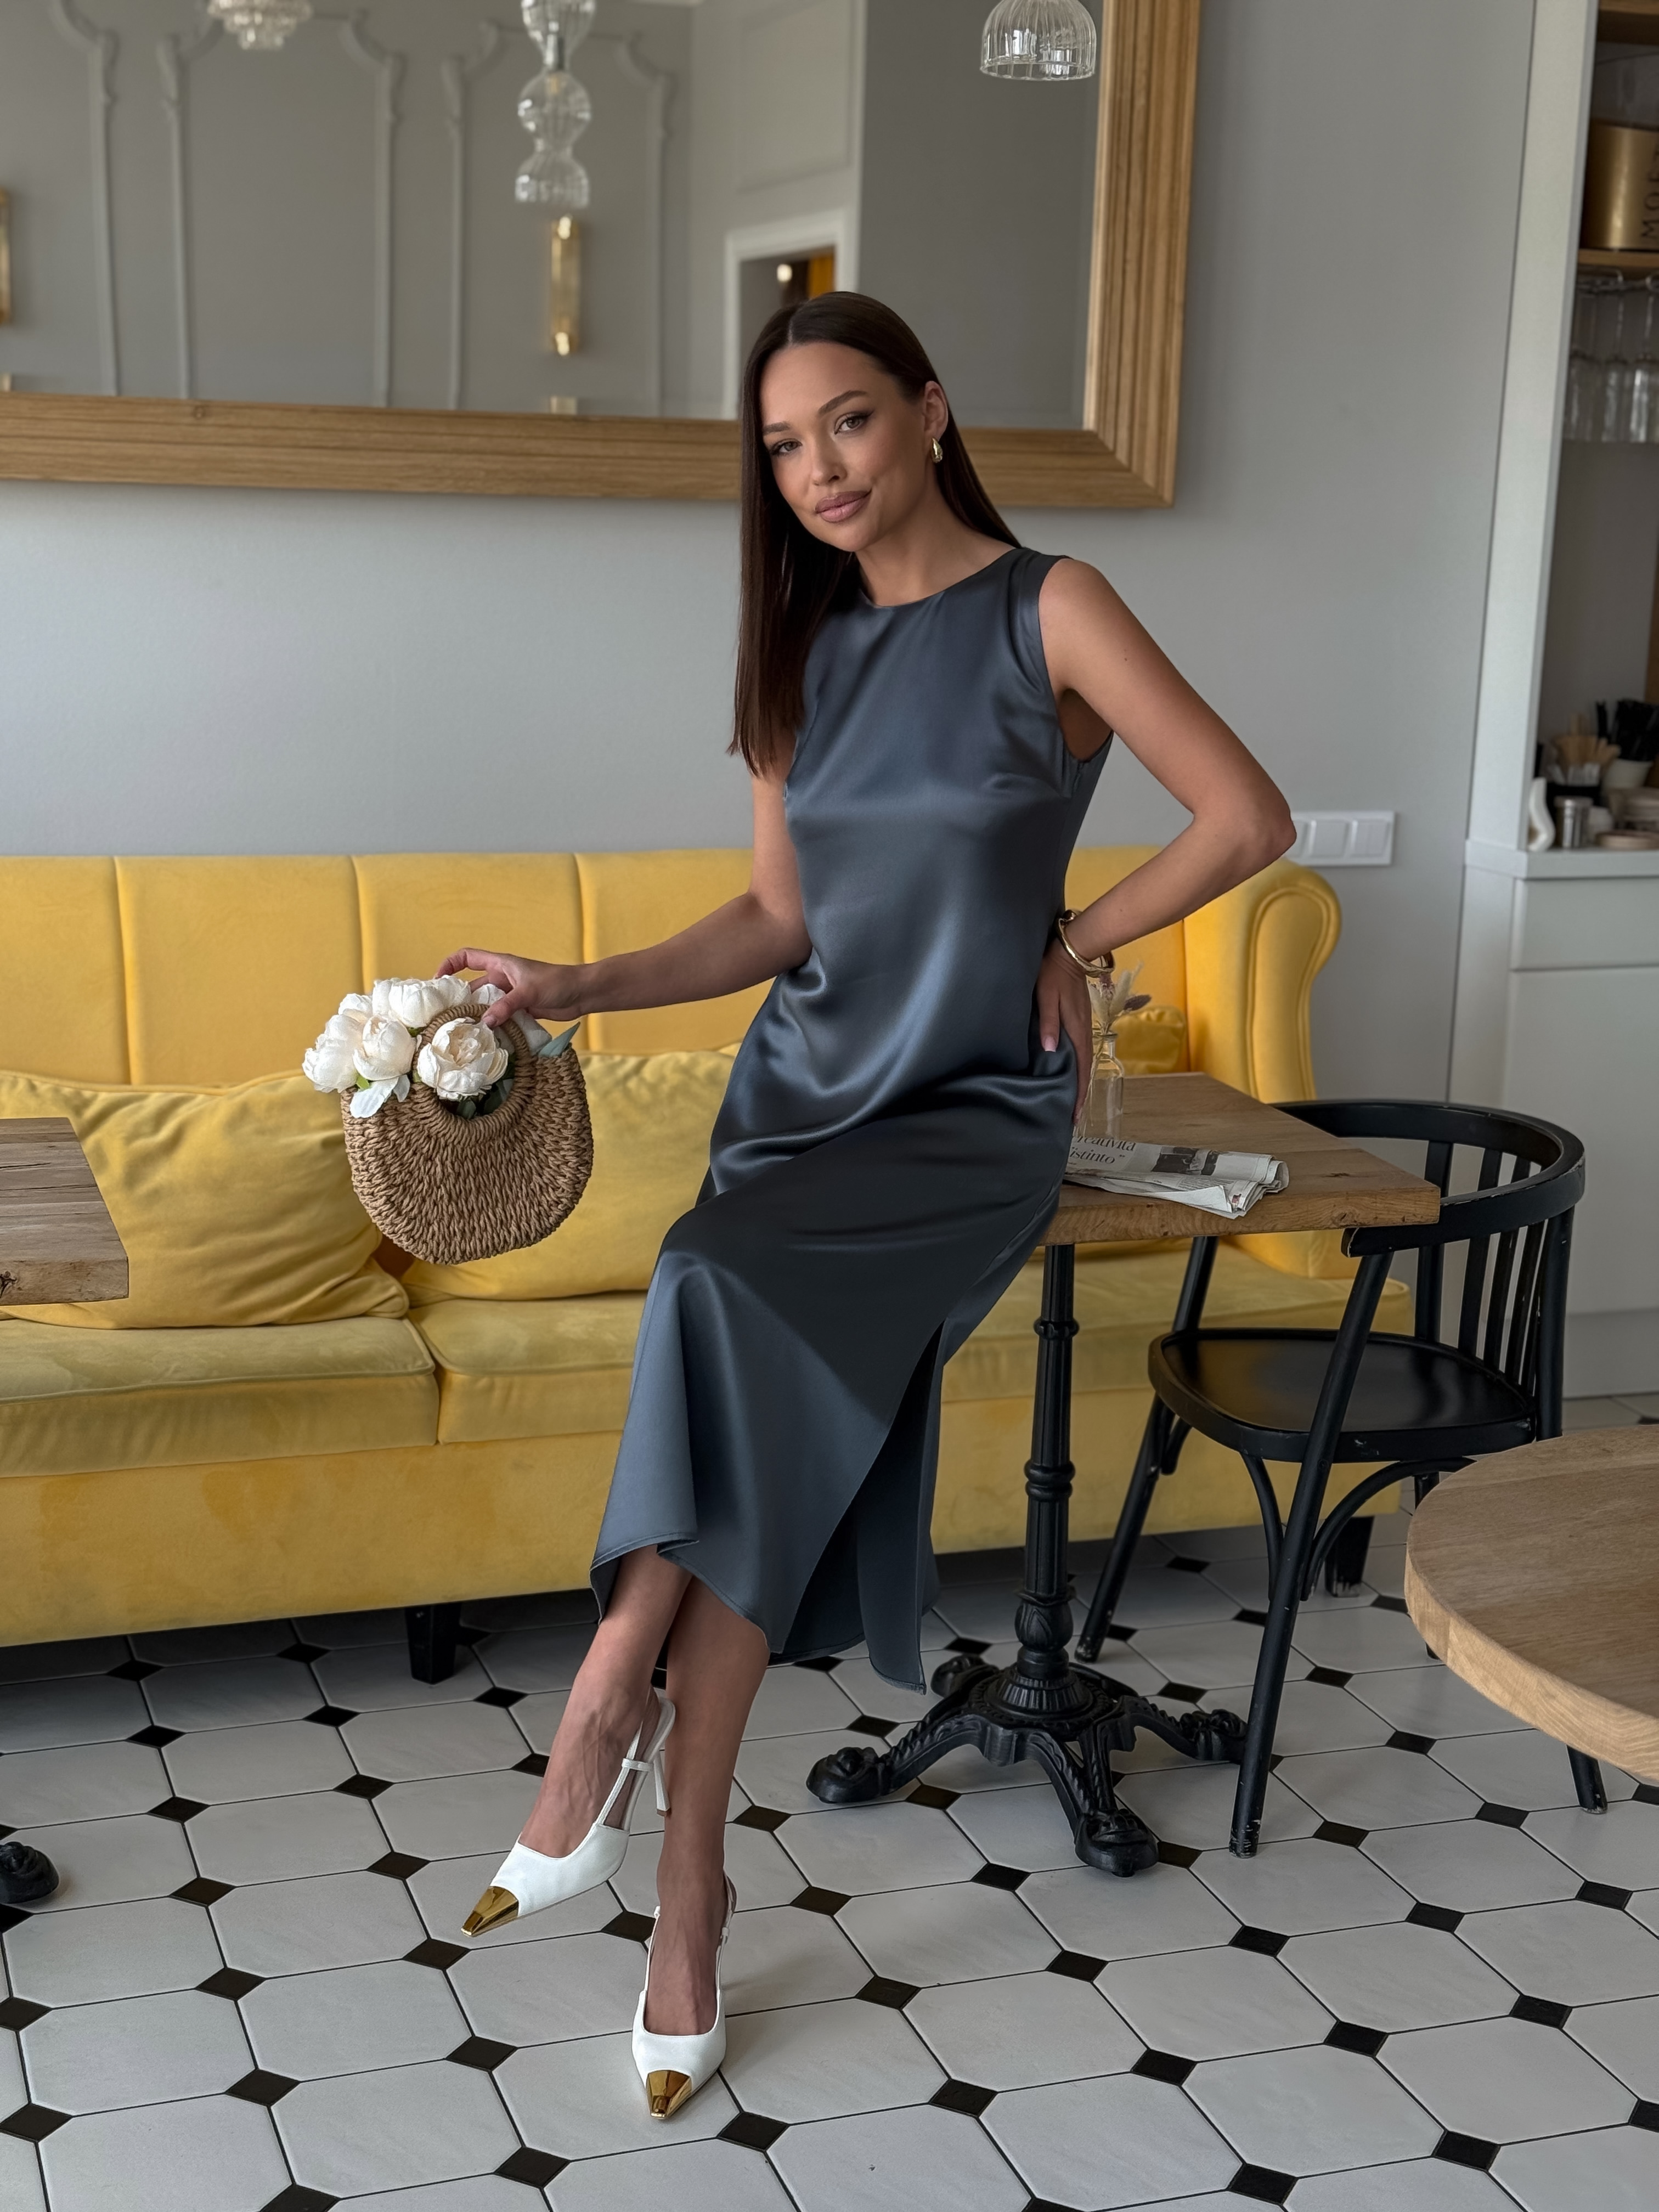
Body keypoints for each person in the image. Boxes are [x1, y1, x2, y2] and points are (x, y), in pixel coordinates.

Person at [442, 292, 1294, 2119]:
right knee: (760, 1439)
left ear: (928, 409)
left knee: (707, 1280)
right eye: (780, 445)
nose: (816, 468)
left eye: (844, 420)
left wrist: (1076, 938)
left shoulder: (1051, 607)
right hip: (803, 1095)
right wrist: (580, 983)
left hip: (972, 1105)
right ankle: (687, 1897)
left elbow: (1246, 814)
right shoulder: (804, 649)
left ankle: (603, 1699)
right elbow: (780, 920)